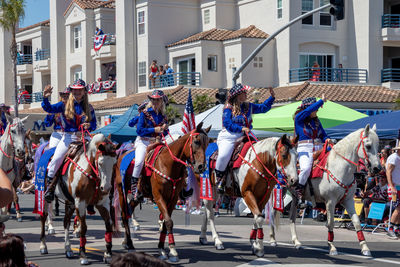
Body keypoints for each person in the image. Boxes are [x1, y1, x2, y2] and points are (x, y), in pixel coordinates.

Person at [41, 79, 97, 203]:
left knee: (100, 157)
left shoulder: (89, 107)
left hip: (84, 137)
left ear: (84, 91)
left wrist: (89, 126)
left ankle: (101, 188)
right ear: (71, 91)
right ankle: (50, 187)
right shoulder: (63, 105)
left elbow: (94, 124)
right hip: (68, 138)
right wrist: (45, 98)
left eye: (80, 90)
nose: (77, 92)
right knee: (56, 159)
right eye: (75, 90)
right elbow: (49, 108)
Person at [215, 84, 275, 193]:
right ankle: (219, 179)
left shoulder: (248, 106)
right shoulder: (228, 108)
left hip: (245, 135)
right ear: (237, 95)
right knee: (223, 156)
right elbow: (228, 124)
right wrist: (241, 128)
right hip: (229, 136)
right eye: (244, 93)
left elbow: (263, 108)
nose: (246, 94)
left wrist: (271, 98)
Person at [129, 90, 169, 201]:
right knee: (139, 162)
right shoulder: (145, 113)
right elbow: (139, 130)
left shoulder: (163, 116)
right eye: (154, 99)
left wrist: (164, 129)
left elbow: (165, 132)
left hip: (157, 141)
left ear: (162, 101)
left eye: (158, 99)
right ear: (151, 100)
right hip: (143, 141)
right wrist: (154, 129)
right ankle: (134, 189)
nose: (156, 101)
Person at [294, 95, 331, 200]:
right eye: (315, 108)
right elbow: (308, 110)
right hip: (305, 149)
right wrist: (321, 101)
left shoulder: (316, 122)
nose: (317, 110)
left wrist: (327, 139)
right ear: (308, 108)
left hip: (319, 148)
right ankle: (299, 190)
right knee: (305, 169)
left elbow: (323, 134)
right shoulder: (299, 119)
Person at [386, 145, 400, 238]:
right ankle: (390, 228)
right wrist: (391, 186)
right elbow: (388, 172)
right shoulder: (394, 157)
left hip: (398, 186)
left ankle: (396, 227)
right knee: (398, 208)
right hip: (394, 187)